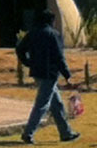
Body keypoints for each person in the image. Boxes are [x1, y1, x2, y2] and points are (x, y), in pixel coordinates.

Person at [15, 9, 80, 144]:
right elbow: (59, 57)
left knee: (57, 104)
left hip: (37, 73)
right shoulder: (53, 34)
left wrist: (28, 62)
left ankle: (66, 133)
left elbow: (20, 49)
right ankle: (28, 133)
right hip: (49, 74)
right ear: (51, 21)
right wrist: (67, 75)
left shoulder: (32, 33)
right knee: (42, 105)